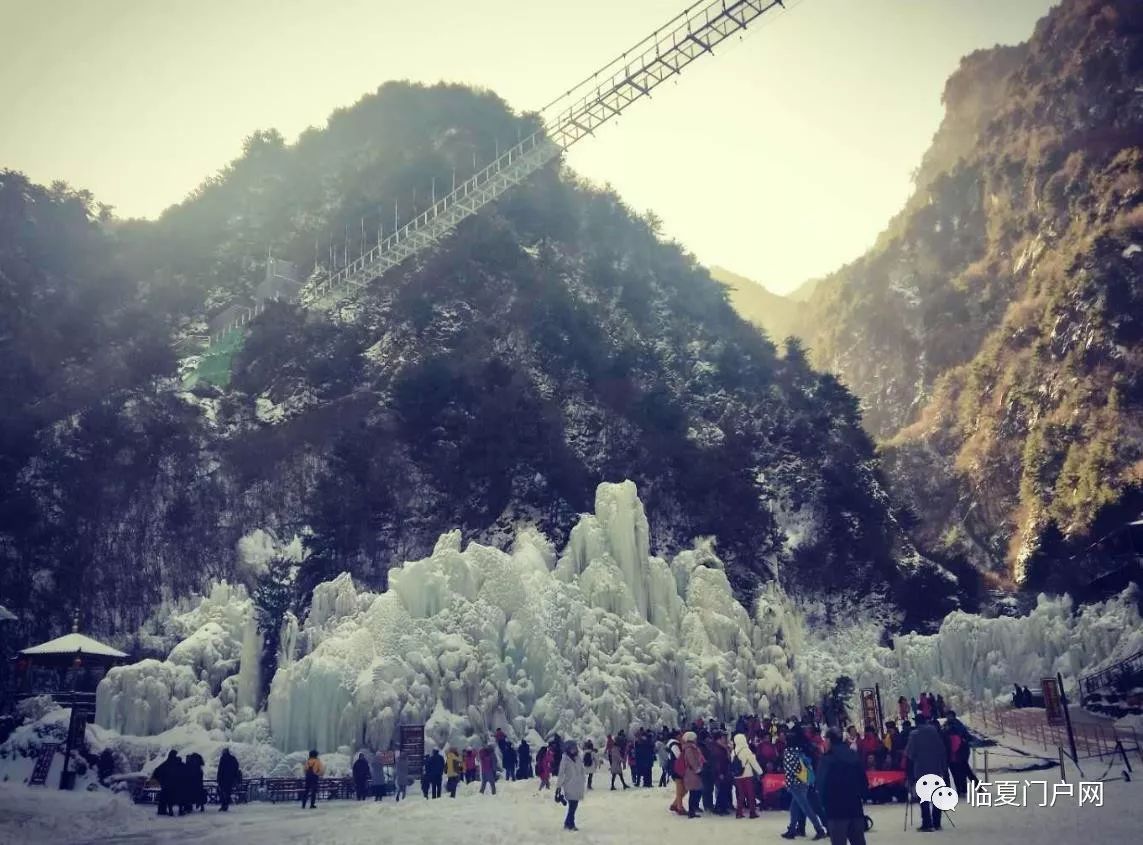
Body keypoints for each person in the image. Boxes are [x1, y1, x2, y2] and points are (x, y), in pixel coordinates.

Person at [816, 728, 867, 845]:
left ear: (829, 740)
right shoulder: (853, 755)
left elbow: (821, 784)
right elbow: (863, 780)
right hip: (855, 807)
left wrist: (824, 804)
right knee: (859, 841)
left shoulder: (827, 759)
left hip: (836, 810)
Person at [904, 715, 948, 832]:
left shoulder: (914, 735)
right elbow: (942, 750)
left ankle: (927, 823)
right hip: (935, 768)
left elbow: (910, 753)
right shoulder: (935, 732)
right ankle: (937, 822)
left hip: (921, 769)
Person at [781, 732, 826, 840]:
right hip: (804, 782)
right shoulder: (799, 752)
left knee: (806, 808)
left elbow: (789, 770)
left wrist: (789, 783)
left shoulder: (788, 753)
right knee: (794, 808)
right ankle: (792, 830)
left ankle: (819, 829)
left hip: (795, 784)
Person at [556, 740, 587, 831]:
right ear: (568, 749)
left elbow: (582, 769)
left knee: (574, 805)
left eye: (575, 748)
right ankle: (570, 824)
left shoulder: (578, 758)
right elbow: (561, 773)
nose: (574, 750)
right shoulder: (565, 759)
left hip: (578, 785)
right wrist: (558, 786)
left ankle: (567, 823)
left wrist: (583, 779)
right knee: (573, 805)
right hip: (569, 784)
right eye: (572, 748)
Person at [731, 732, 762, 819]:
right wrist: (760, 772)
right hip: (747, 774)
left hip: (737, 775)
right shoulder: (746, 750)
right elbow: (753, 762)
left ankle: (739, 812)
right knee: (750, 794)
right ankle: (752, 812)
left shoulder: (734, 751)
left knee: (741, 794)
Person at [682, 731, 705, 818]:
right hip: (692, 772)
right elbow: (691, 760)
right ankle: (691, 812)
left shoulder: (692, 747)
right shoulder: (689, 749)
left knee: (696, 791)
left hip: (694, 772)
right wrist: (697, 769)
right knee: (693, 792)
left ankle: (693, 809)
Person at [154, 749, 183, 817]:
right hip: (172, 785)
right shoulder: (173, 763)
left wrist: (161, 781)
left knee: (167, 798)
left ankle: (167, 811)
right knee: (172, 797)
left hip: (167, 785)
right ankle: (174, 811)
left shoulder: (166, 763)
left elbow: (156, 772)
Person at [667, 733, 686, 814]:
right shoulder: (674, 745)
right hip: (677, 769)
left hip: (675, 769)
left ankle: (675, 804)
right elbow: (679, 756)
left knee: (683, 789)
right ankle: (679, 807)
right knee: (680, 789)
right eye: (680, 735)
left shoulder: (674, 744)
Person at [216, 748, 240, 812]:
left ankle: (224, 805)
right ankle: (225, 805)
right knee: (225, 792)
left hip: (224, 779)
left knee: (223, 792)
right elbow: (236, 768)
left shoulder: (224, 759)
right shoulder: (232, 759)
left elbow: (220, 769)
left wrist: (218, 778)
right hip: (228, 779)